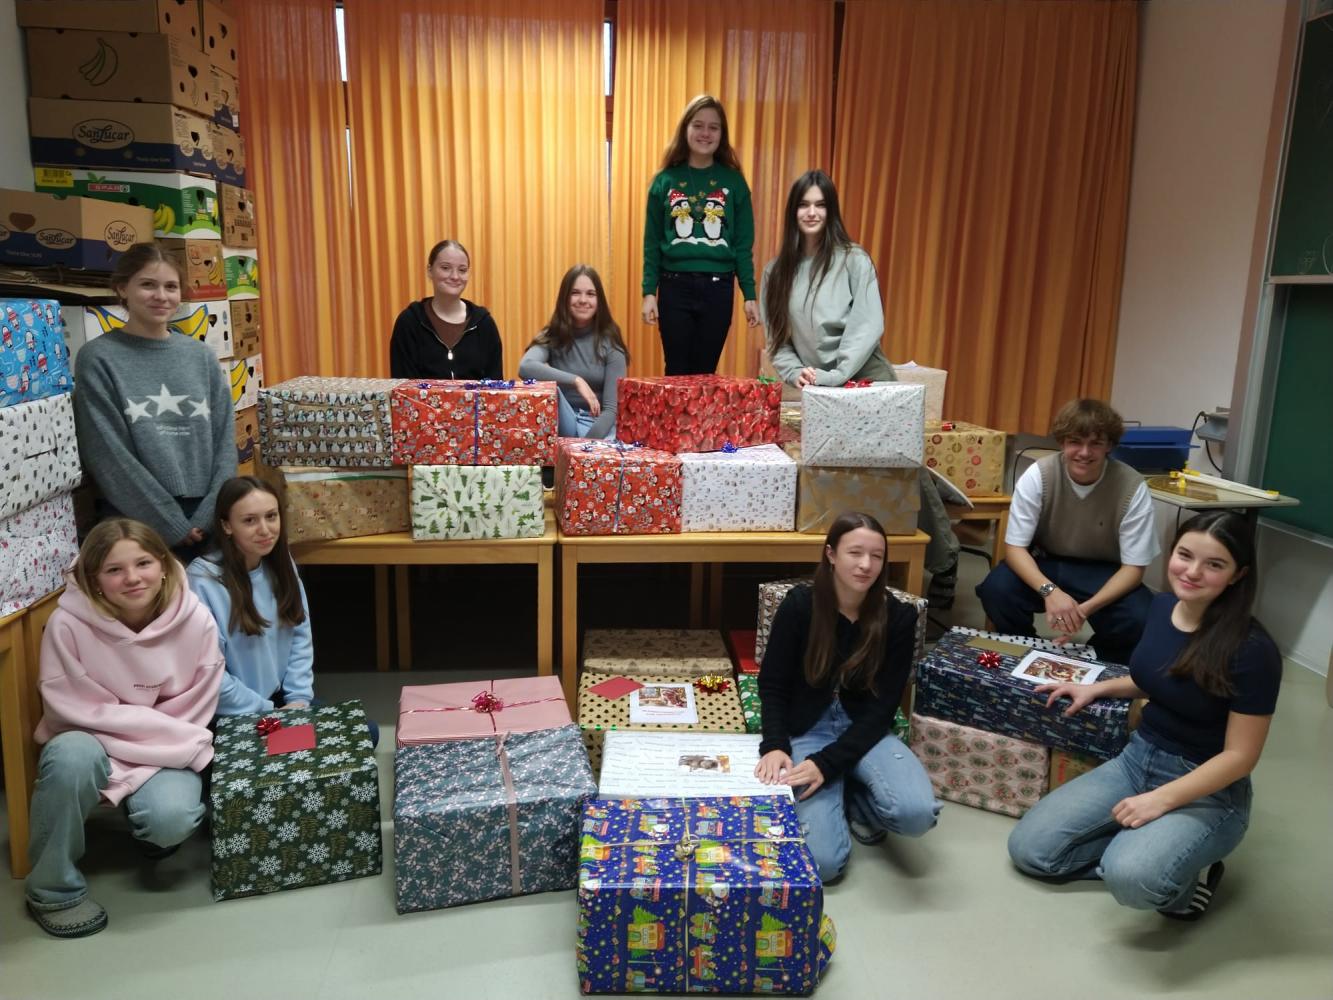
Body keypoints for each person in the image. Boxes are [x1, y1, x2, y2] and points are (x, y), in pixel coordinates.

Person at [1007, 512, 1281, 920]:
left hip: (1207, 790)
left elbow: (1240, 757)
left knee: (1132, 878)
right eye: (1184, 555)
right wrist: (1097, 687)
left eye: (1214, 564)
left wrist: (1160, 801)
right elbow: (1155, 678)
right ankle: (1147, 850)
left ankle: (1182, 878)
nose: (1192, 572)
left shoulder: (1254, 650)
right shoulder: (1163, 606)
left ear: (1238, 575)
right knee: (1030, 850)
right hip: (1136, 761)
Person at [760, 169, 961, 607]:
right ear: (793, 211)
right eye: (804, 204)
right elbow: (777, 340)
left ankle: (945, 556)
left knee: (901, 465)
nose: (811, 212)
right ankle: (844, 560)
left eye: (820, 204)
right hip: (820, 385)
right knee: (838, 471)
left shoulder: (853, 259)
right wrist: (795, 373)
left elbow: (866, 326)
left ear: (831, 211)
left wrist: (834, 376)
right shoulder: (776, 271)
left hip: (865, 373)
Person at [25, 519, 224, 938]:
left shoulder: (197, 620)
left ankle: (147, 831)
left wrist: (145, 743)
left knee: (171, 819)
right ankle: (52, 891)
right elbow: (70, 706)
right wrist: (141, 737)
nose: (132, 578)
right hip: (91, 738)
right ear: (94, 579)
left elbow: (196, 705)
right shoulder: (67, 624)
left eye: (143, 563)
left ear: (164, 565)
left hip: (165, 743)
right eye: (114, 570)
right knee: (70, 759)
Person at [754, 511, 940, 881]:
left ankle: (851, 793)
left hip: (866, 732)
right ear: (831, 554)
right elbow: (772, 683)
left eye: (876, 556)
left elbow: (884, 708)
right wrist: (774, 744)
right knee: (823, 864)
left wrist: (828, 764)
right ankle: (848, 793)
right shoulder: (800, 605)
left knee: (916, 815)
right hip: (807, 730)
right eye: (855, 552)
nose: (866, 565)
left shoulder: (899, 617)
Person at [187, 476, 379, 745]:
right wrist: (270, 713)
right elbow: (210, 676)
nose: (265, 530)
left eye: (271, 516)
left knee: (367, 733)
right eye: (249, 520)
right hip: (233, 713)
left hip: (280, 704)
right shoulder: (201, 580)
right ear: (226, 525)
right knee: (296, 749)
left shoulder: (279, 562)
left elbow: (300, 632)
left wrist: (298, 700)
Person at [72, 243, 236, 558]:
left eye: (171, 287)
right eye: (148, 284)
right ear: (123, 288)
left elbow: (225, 441)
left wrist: (210, 513)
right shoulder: (98, 358)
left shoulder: (201, 355)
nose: (161, 296)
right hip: (134, 521)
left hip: (208, 519)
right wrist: (167, 522)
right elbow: (106, 453)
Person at [976, 398, 1156, 664]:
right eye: (1075, 442)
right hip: (1047, 562)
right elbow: (1015, 549)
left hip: (1104, 571)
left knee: (1142, 616)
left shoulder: (1132, 486)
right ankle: (1026, 651)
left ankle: (1094, 661)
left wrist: (1083, 610)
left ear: (1109, 445)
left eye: (1095, 443)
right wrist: (1050, 592)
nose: (1084, 452)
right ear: (1062, 442)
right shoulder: (1039, 475)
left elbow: (1134, 568)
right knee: (997, 589)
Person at [641, 94, 759, 375]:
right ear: (686, 129)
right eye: (698, 125)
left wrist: (749, 294)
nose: (705, 133)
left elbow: (743, 246)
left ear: (722, 134)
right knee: (677, 371)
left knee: (705, 372)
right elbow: (652, 244)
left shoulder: (734, 183)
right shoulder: (664, 181)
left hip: (719, 288)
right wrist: (649, 292)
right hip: (673, 286)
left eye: (713, 127)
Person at [518, 264, 629, 439]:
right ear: (565, 298)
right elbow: (525, 367)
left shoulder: (611, 341)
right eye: (575, 293)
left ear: (599, 301)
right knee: (552, 391)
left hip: (597, 425)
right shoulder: (552, 335)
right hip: (562, 421)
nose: (583, 300)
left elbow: (610, 411)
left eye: (590, 294)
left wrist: (584, 447)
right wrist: (576, 381)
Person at [390, 239, 502, 380]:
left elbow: (495, 384)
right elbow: (402, 383)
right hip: (419, 396)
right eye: (445, 268)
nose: (455, 276)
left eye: (462, 270)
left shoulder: (484, 324)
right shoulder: (409, 322)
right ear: (430, 271)